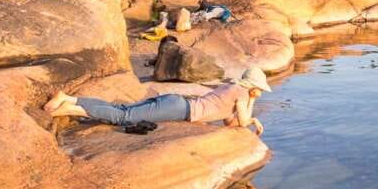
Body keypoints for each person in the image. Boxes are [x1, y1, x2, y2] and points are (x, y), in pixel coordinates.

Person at [43, 67, 271, 135]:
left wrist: (248, 109)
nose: (260, 92)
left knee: (123, 109)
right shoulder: (241, 93)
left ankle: (69, 98)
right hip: (179, 109)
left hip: (176, 102)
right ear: (253, 87)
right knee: (124, 117)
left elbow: (229, 123)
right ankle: (71, 108)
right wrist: (253, 118)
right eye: (259, 89)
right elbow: (241, 123)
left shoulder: (230, 88)